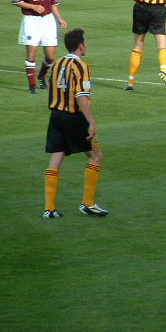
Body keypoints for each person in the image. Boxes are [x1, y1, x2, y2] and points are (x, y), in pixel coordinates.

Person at [43, 28, 108, 218]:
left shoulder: (57, 64)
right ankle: (87, 204)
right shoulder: (81, 66)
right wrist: (91, 121)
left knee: (56, 158)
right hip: (74, 117)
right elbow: (81, 96)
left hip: (56, 115)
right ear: (81, 45)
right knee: (96, 156)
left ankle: (49, 208)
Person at [11, 0, 67, 94]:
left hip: (48, 20)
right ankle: (32, 86)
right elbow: (16, 0)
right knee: (32, 52)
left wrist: (60, 18)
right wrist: (33, 6)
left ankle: (41, 76)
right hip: (31, 20)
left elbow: (53, 2)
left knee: (50, 57)